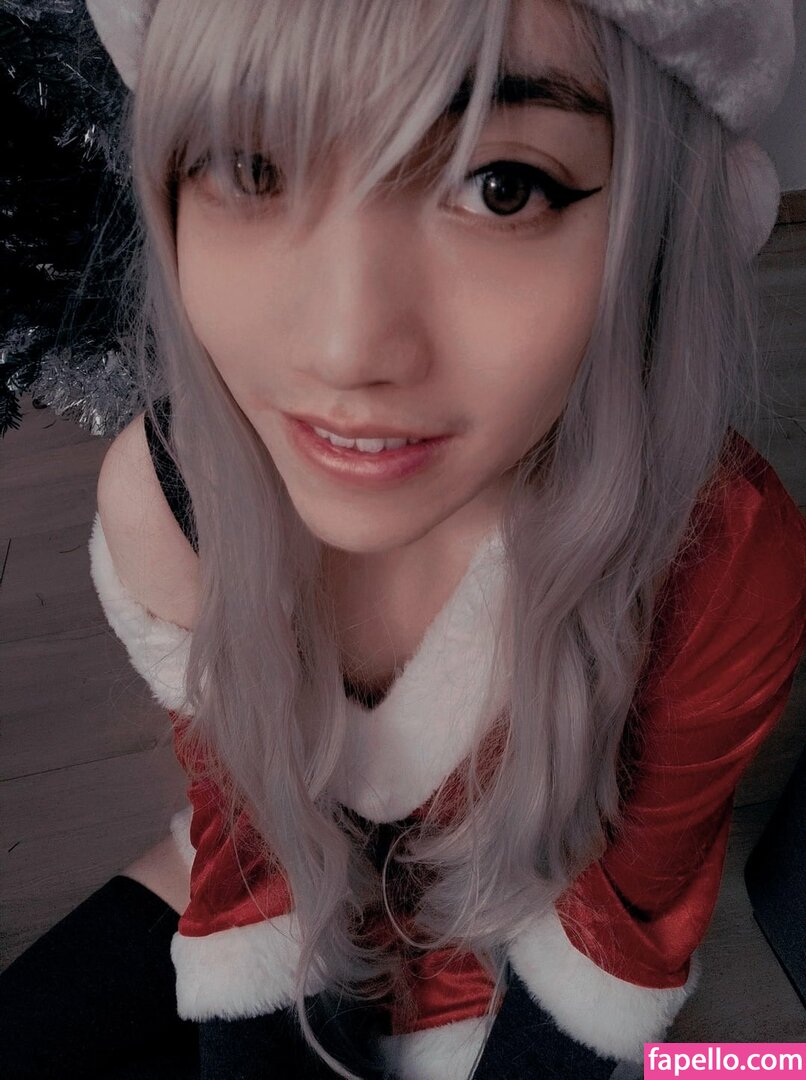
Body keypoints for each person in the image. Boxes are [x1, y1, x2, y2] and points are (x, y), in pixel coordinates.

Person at [1, 1, 804, 1077]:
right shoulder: (168, 497)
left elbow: (634, 898)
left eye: (500, 186)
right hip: (282, 868)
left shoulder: (722, 556)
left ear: (652, 224)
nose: (344, 349)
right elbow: (246, 812)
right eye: (250, 168)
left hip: (527, 920)